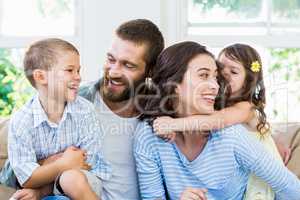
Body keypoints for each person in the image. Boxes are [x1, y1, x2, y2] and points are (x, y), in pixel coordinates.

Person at [134, 41, 300, 200]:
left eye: (215, 77)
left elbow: (291, 188)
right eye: (204, 75)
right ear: (173, 84)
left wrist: (172, 124)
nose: (216, 85)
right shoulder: (148, 135)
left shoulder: (231, 133)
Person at [7, 38, 111, 200]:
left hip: (83, 180)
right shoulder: (22, 121)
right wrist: (63, 163)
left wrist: (45, 165)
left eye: (78, 70)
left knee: (71, 178)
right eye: (70, 70)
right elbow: (26, 178)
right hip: (43, 186)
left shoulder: (85, 110)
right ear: (41, 77)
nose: (78, 77)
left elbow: (88, 162)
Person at [78, 18, 164, 200]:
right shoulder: (76, 100)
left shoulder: (164, 109)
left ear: (151, 70)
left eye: (128, 65)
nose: (114, 71)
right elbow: (14, 170)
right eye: (111, 59)